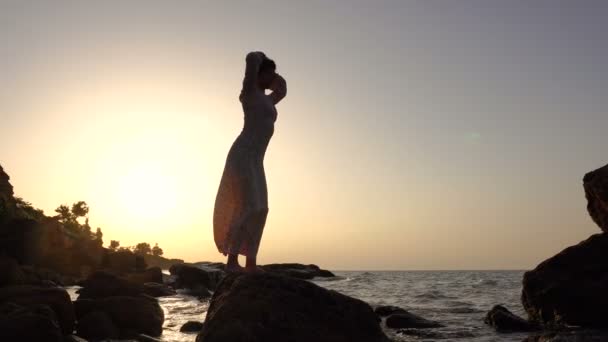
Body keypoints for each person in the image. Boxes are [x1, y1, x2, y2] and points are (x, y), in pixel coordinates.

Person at [212, 51, 287, 273]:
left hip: (256, 159)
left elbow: (283, 88)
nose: (272, 79)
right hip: (242, 155)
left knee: (261, 208)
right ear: (258, 74)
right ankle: (232, 262)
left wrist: (272, 74)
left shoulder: (267, 100)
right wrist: (262, 62)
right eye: (268, 74)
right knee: (247, 206)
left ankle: (251, 262)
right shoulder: (249, 93)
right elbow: (251, 57)